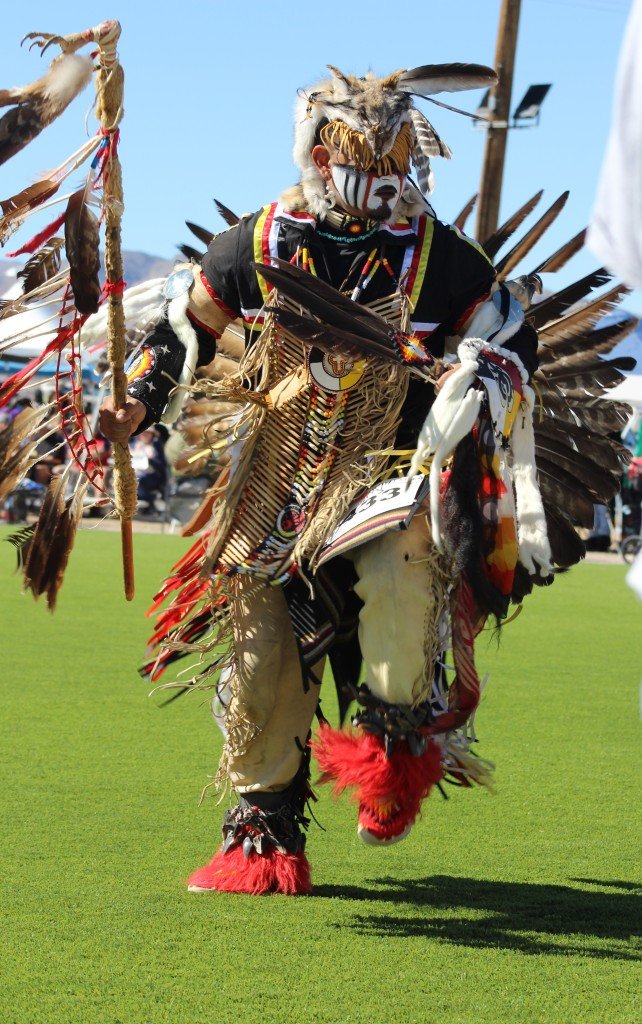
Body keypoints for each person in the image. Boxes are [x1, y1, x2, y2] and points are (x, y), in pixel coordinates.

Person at [100, 62, 549, 895]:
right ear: (316, 151)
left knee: (403, 570)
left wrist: (479, 376)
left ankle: (393, 754)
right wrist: (138, 399)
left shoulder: (437, 259)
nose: (379, 183)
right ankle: (262, 840)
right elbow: (185, 327)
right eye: (356, 159)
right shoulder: (261, 243)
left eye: (392, 163)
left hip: (389, 477)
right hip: (279, 479)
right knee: (262, 646)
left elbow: (512, 336)